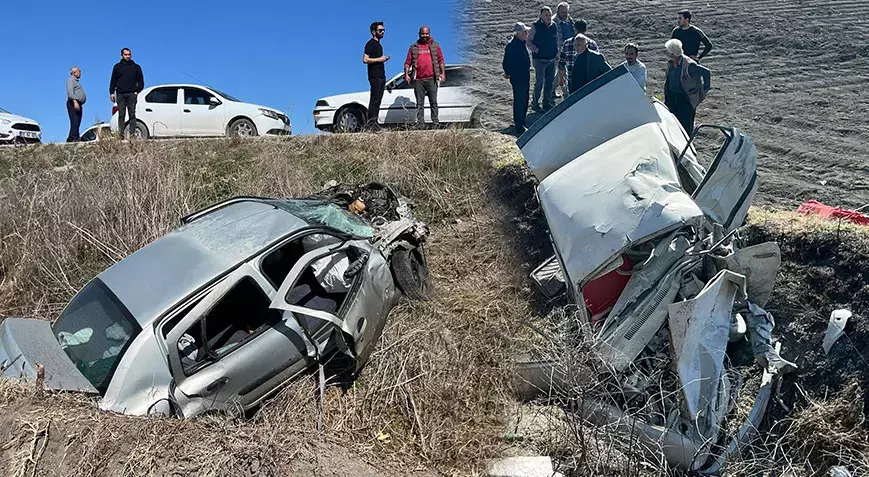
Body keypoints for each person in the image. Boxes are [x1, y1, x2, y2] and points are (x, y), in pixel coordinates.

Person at [664, 39, 711, 134]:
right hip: (672, 98)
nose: (666, 54)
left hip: (685, 99)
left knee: (685, 126)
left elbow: (706, 72)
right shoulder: (671, 63)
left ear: (673, 54)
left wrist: (705, 89)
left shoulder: (689, 65)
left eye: (668, 52)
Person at [404, 26, 445, 129]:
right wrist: (406, 74)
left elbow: (441, 60)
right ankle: (420, 123)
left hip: (432, 78)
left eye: (426, 34)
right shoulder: (414, 47)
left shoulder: (435, 45)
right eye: (423, 34)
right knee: (420, 103)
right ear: (419, 34)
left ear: (429, 33)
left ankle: (435, 122)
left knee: (433, 102)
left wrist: (443, 73)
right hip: (418, 79)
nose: (425, 36)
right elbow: (407, 62)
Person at [527, 6, 558, 112]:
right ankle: (535, 104)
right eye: (546, 15)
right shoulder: (535, 26)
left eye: (549, 15)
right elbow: (529, 41)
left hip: (551, 59)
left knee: (550, 82)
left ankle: (547, 103)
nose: (548, 17)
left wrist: (556, 52)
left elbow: (556, 40)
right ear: (541, 16)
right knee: (539, 82)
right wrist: (536, 50)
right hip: (539, 60)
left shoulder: (554, 26)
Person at [503, 22, 532, 135]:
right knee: (519, 101)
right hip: (518, 78)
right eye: (525, 32)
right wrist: (510, 73)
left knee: (524, 99)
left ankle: (522, 121)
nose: (527, 33)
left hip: (524, 76)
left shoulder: (521, 42)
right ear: (519, 33)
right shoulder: (512, 45)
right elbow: (506, 63)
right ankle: (519, 125)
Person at [109, 48, 144, 138]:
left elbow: (141, 81)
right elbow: (113, 80)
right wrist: (112, 92)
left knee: (132, 114)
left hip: (132, 94)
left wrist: (137, 91)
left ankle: (132, 135)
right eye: (126, 55)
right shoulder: (117, 67)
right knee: (121, 114)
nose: (128, 56)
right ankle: (121, 135)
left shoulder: (136, 67)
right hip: (120, 94)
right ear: (122, 55)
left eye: (129, 54)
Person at [363, 22, 390, 130]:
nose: (382, 32)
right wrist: (380, 59)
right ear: (374, 32)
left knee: (378, 100)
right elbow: (365, 59)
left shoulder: (379, 45)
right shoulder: (370, 44)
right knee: (374, 100)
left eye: (384, 30)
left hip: (381, 75)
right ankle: (370, 125)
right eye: (380, 30)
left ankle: (375, 123)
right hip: (374, 76)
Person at [552, 2, 575, 98]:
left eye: (566, 12)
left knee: (560, 72)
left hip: (569, 48)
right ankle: (566, 93)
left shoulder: (569, 19)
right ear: (558, 11)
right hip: (558, 51)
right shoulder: (554, 22)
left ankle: (551, 90)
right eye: (562, 12)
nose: (565, 14)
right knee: (563, 72)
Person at [66, 66, 86, 142]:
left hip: (78, 103)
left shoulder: (76, 81)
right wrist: (75, 101)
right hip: (73, 103)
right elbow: (70, 92)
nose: (80, 73)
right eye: (79, 71)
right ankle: (73, 137)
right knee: (74, 120)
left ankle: (73, 137)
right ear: (74, 73)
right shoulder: (70, 80)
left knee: (77, 121)